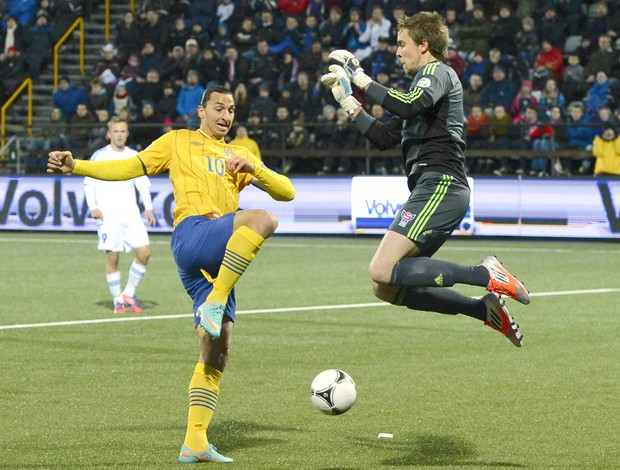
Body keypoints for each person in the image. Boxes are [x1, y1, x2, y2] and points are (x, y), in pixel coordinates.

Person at [48, 85, 296, 463]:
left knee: (217, 349)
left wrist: (255, 168)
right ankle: (214, 302)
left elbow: (288, 191)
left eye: (231, 109)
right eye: (218, 108)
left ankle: (194, 441)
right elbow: (129, 167)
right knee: (263, 219)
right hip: (194, 234)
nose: (226, 116)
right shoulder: (178, 141)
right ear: (200, 111)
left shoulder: (239, 154)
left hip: (217, 261)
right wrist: (77, 165)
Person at [322, 11, 530, 348]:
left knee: (380, 269)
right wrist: (348, 100)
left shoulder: (438, 72)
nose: (397, 51)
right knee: (385, 286)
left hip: (442, 183)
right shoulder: (421, 92)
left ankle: (486, 274)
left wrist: (360, 78)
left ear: (424, 44)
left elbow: (407, 105)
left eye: (402, 44)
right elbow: (385, 136)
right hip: (430, 187)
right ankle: (483, 310)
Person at [83, 117, 157, 314]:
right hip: (109, 215)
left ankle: (129, 293)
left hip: (131, 214)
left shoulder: (135, 156)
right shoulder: (99, 156)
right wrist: (93, 207)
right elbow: (89, 184)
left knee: (145, 253)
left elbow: (142, 184)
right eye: (116, 131)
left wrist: (148, 208)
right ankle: (117, 299)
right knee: (113, 259)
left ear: (127, 134)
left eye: (123, 131)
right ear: (109, 134)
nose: (120, 135)